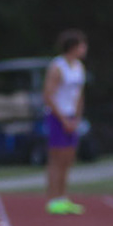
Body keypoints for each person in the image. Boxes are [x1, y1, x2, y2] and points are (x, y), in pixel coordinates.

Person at [41, 30, 89, 215]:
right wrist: (63, 120)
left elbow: (79, 95)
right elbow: (48, 96)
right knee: (57, 158)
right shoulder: (57, 67)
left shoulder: (79, 67)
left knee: (69, 158)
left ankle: (63, 197)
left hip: (71, 116)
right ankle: (53, 199)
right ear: (73, 47)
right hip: (57, 116)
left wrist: (76, 118)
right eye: (82, 45)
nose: (85, 49)